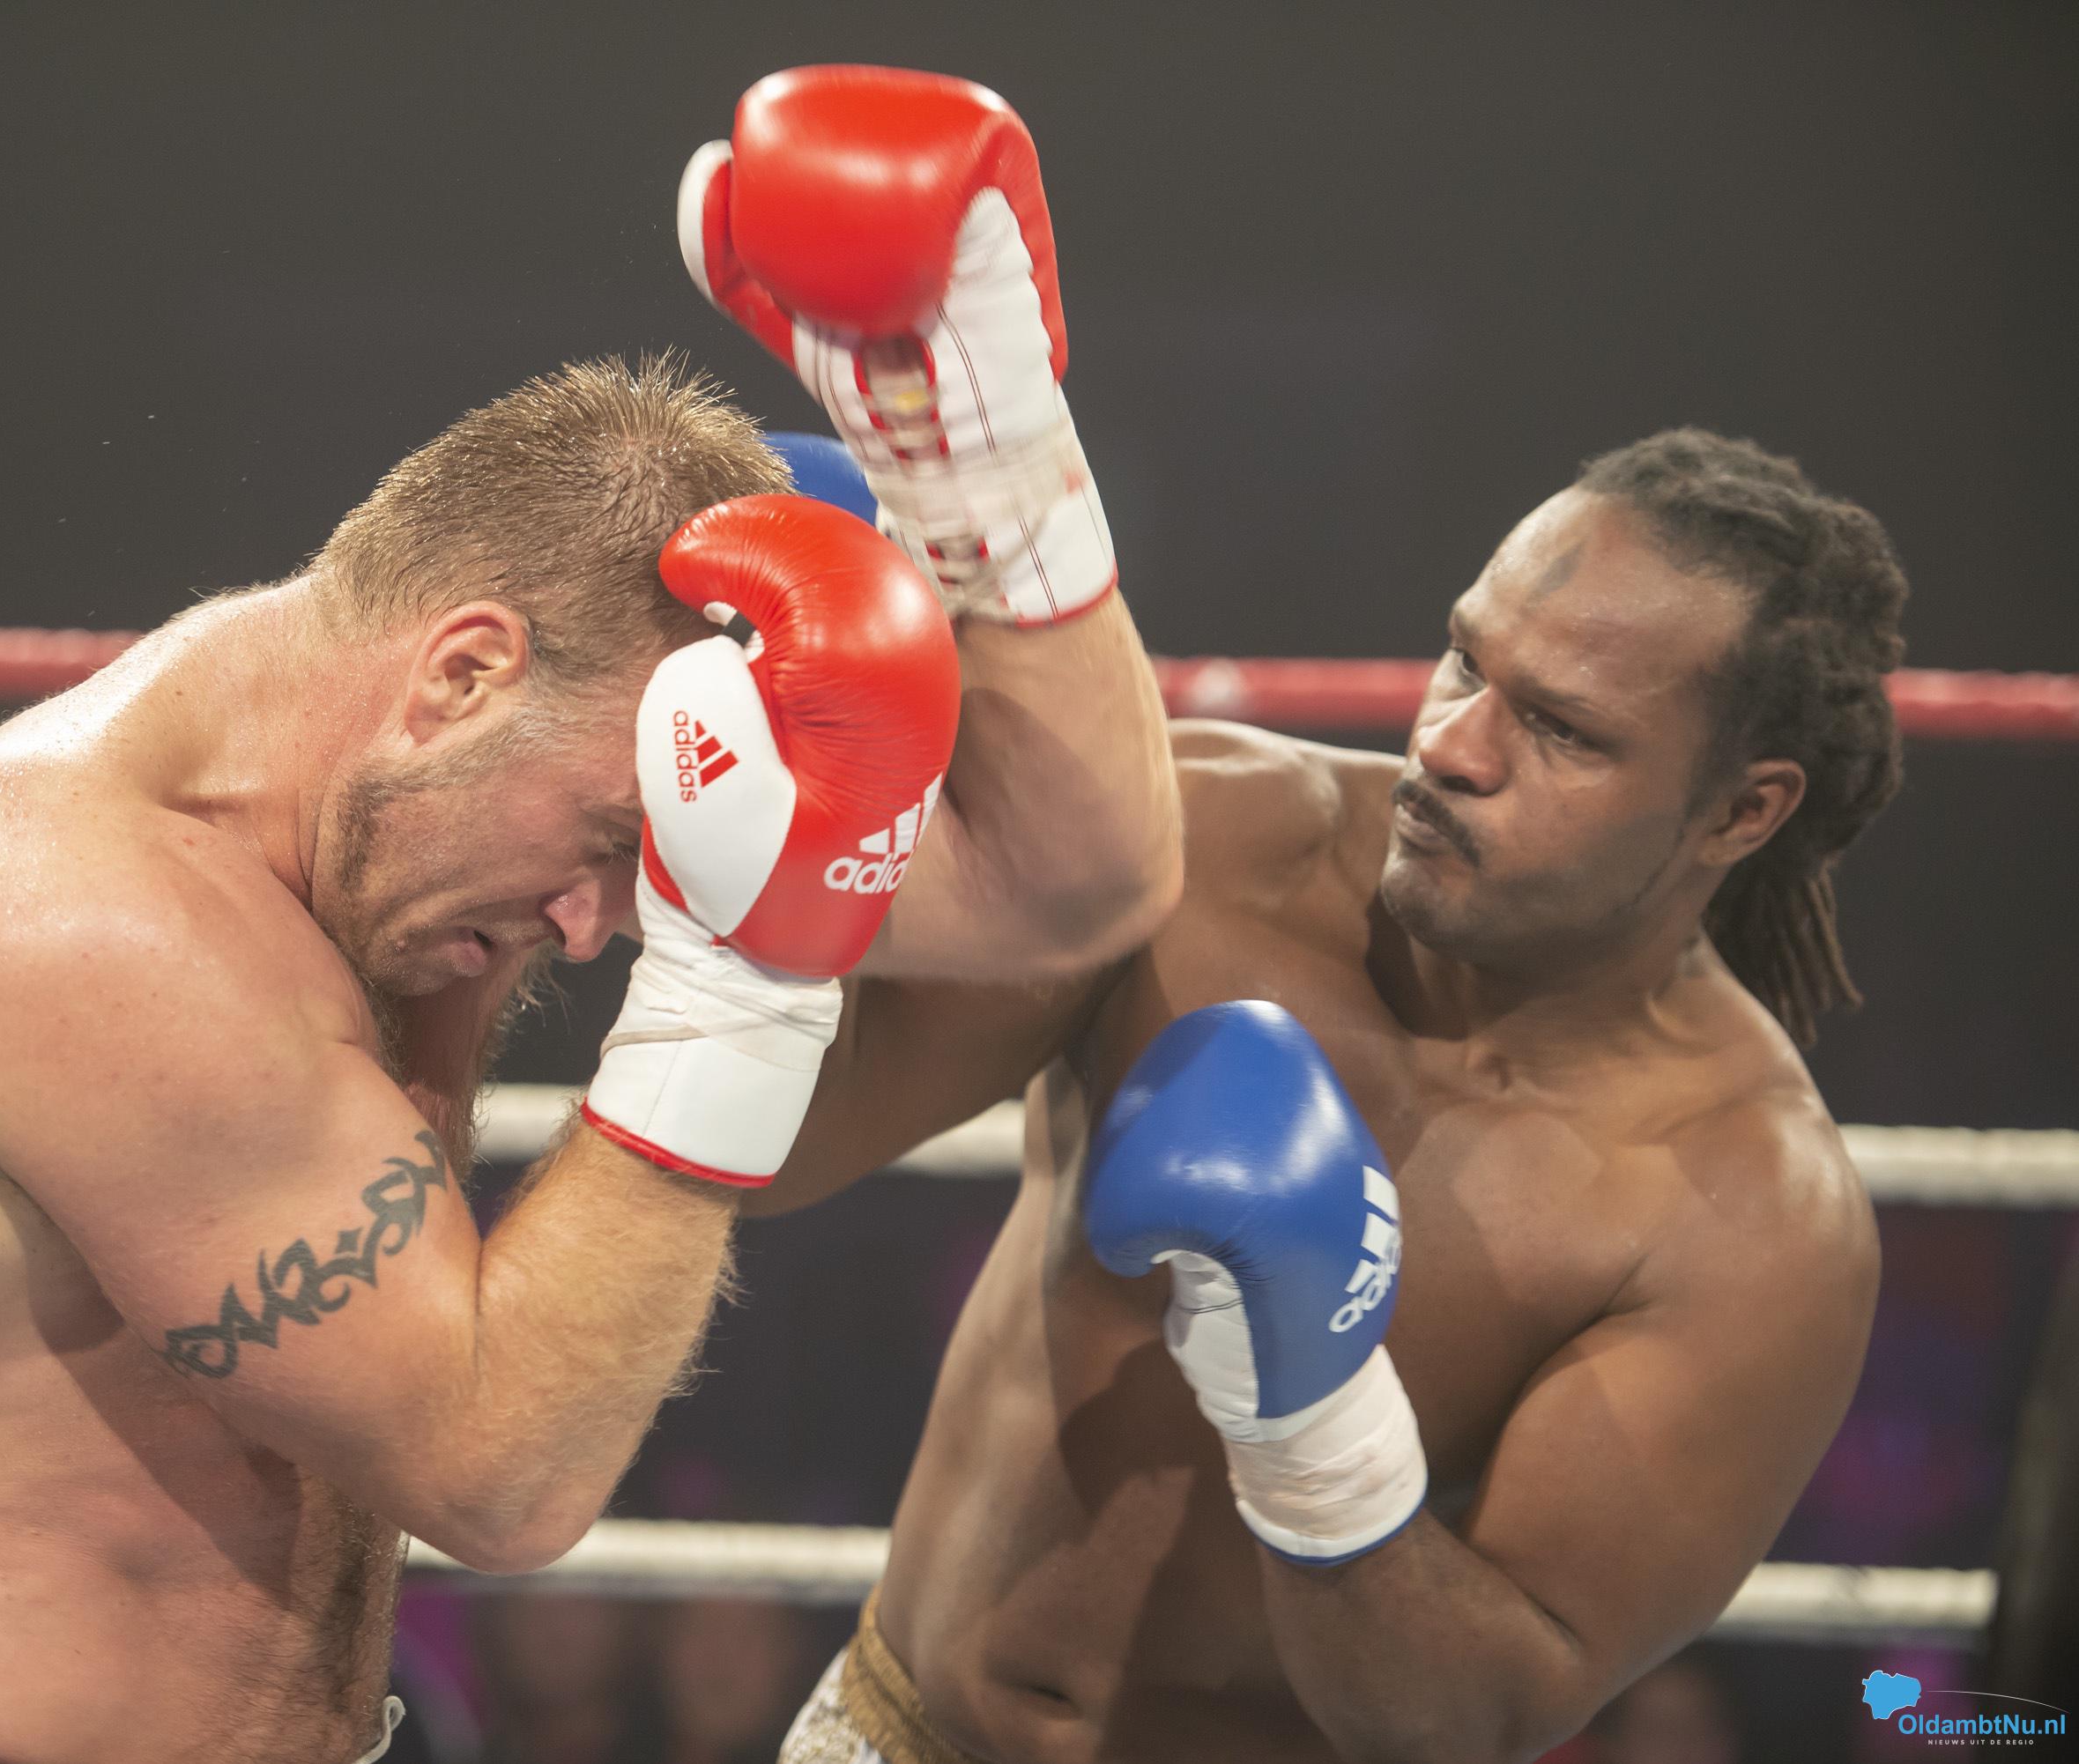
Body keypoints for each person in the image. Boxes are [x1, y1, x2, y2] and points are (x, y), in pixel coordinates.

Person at [0, 347, 1180, 1760]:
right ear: (464, 672)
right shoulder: (76, 924)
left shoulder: (420, 801)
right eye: (613, 841)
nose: (595, 929)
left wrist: (989, 433)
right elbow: (500, 1473)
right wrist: (742, 983)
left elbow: (1084, 883)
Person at [768, 421, 1911, 1763]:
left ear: (1741, 812)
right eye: (1467, 659)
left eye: (1561, 729)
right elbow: (785, 1152)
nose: (1453, 744)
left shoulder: (1750, 1218)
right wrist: (801, 807)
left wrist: (1311, 1419)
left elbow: (1477, 1718)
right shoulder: (1201, 842)